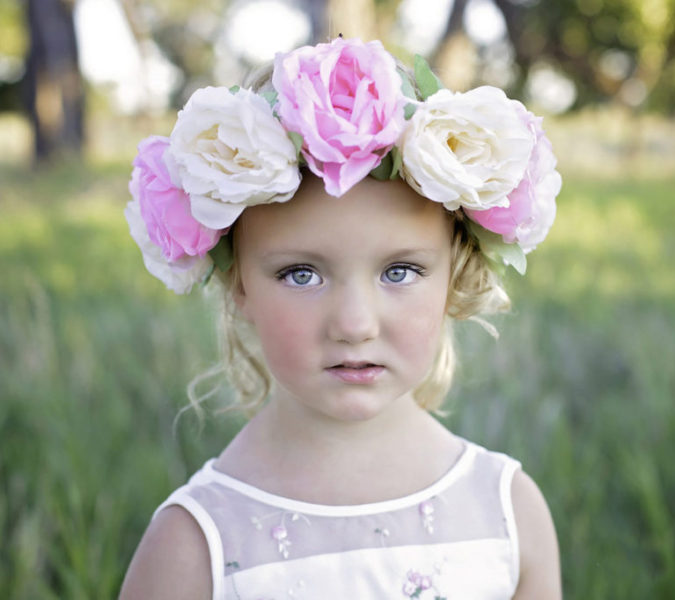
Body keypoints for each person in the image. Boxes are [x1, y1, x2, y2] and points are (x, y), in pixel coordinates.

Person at [119, 37, 562, 600]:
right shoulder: (193, 547)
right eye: (302, 274)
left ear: (455, 272)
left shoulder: (509, 514)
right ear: (239, 286)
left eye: (399, 271)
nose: (354, 324)